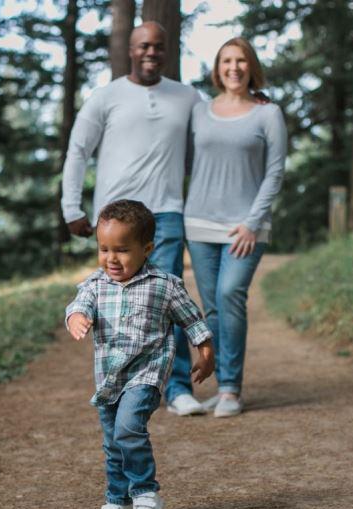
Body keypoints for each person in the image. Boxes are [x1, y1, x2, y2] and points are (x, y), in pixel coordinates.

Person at [61, 21, 206, 416]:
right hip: (115, 217)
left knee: (169, 300)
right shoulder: (105, 97)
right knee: (113, 305)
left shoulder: (188, 97)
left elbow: (212, 140)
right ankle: (124, 383)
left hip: (167, 213)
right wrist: (71, 208)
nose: (151, 52)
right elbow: (78, 151)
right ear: (130, 48)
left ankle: (176, 390)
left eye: (158, 46)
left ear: (167, 50)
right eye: (143, 45)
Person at [65, 200, 214, 509]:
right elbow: (79, 305)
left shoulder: (164, 285)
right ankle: (118, 499)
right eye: (103, 249)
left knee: (129, 428)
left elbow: (193, 321)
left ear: (146, 249)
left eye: (121, 249)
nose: (111, 259)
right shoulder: (95, 285)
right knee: (112, 441)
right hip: (109, 379)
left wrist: (206, 353)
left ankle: (146, 492)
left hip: (146, 374)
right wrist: (76, 317)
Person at [184, 37, 287, 418]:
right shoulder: (199, 111)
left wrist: (252, 222)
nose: (234, 67)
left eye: (241, 61)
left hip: (246, 227)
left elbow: (275, 172)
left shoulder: (268, 114)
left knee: (230, 294)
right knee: (211, 307)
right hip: (199, 223)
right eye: (226, 60)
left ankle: (231, 389)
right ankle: (222, 384)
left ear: (251, 67)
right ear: (217, 68)